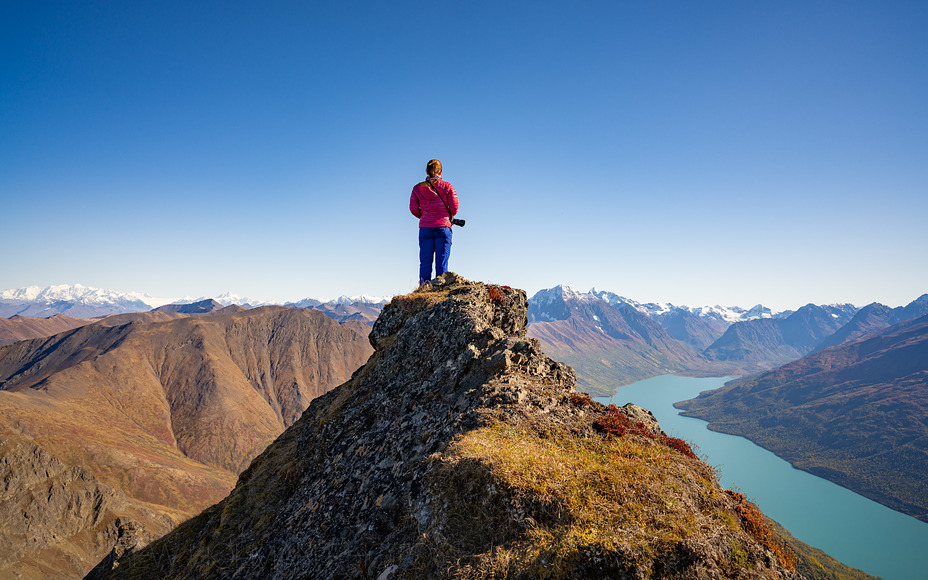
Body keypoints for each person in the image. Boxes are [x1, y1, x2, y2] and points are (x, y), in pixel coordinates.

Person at [409, 159, 459, 286]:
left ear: (426, 171)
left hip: (425, 228)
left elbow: (413, 209)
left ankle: (423, 289)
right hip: (443, 228)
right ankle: (440, 289)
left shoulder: (417, 188)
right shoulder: (448, 187)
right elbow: (454, 208)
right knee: (442, 262)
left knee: (425, 262)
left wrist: (425, 216)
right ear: (441, 171)